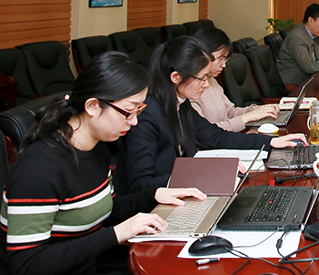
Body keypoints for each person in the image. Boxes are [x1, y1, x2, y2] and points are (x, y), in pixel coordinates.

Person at [1, 52, 204, 275]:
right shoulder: (39, 168)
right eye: (128, 111)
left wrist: (154, 195)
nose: (134, 121)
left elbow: (104, 209)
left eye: (138, 110)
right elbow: (27, 264)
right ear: (92, 106)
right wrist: (116, 234)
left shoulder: (96, 146)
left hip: (87, 262)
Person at [118, 37, 305, 193]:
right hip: (150, 211)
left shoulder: (181, 104)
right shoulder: (146, 116)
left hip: (182, 194)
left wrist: (271, 142)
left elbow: (216, 137)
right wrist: (207, 173)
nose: (206, 85)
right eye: (202, 78)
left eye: (207, 77)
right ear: (175, 77)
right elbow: (140, 184)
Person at [191, 27, 279, 132]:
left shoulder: (212, 81)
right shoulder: (190, 90)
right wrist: (247, 117)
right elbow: (208, 133)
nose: (224, 65)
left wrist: (254, 110)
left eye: (225, 59)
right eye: (220, 59)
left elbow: (230, 112)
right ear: (203, 55)